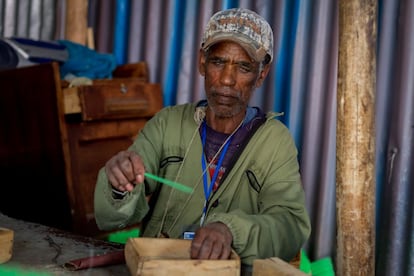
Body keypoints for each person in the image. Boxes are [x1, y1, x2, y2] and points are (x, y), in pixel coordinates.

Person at [94, 7, 311, 266]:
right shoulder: (168, 123)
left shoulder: (274, 142)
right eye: (218, 62)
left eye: (244, 67)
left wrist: (231, 230)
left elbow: (291, 226)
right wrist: (119, 184)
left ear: (261, 75)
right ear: (201, 63)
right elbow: (110, 218)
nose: (227, 79)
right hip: (159, 269)